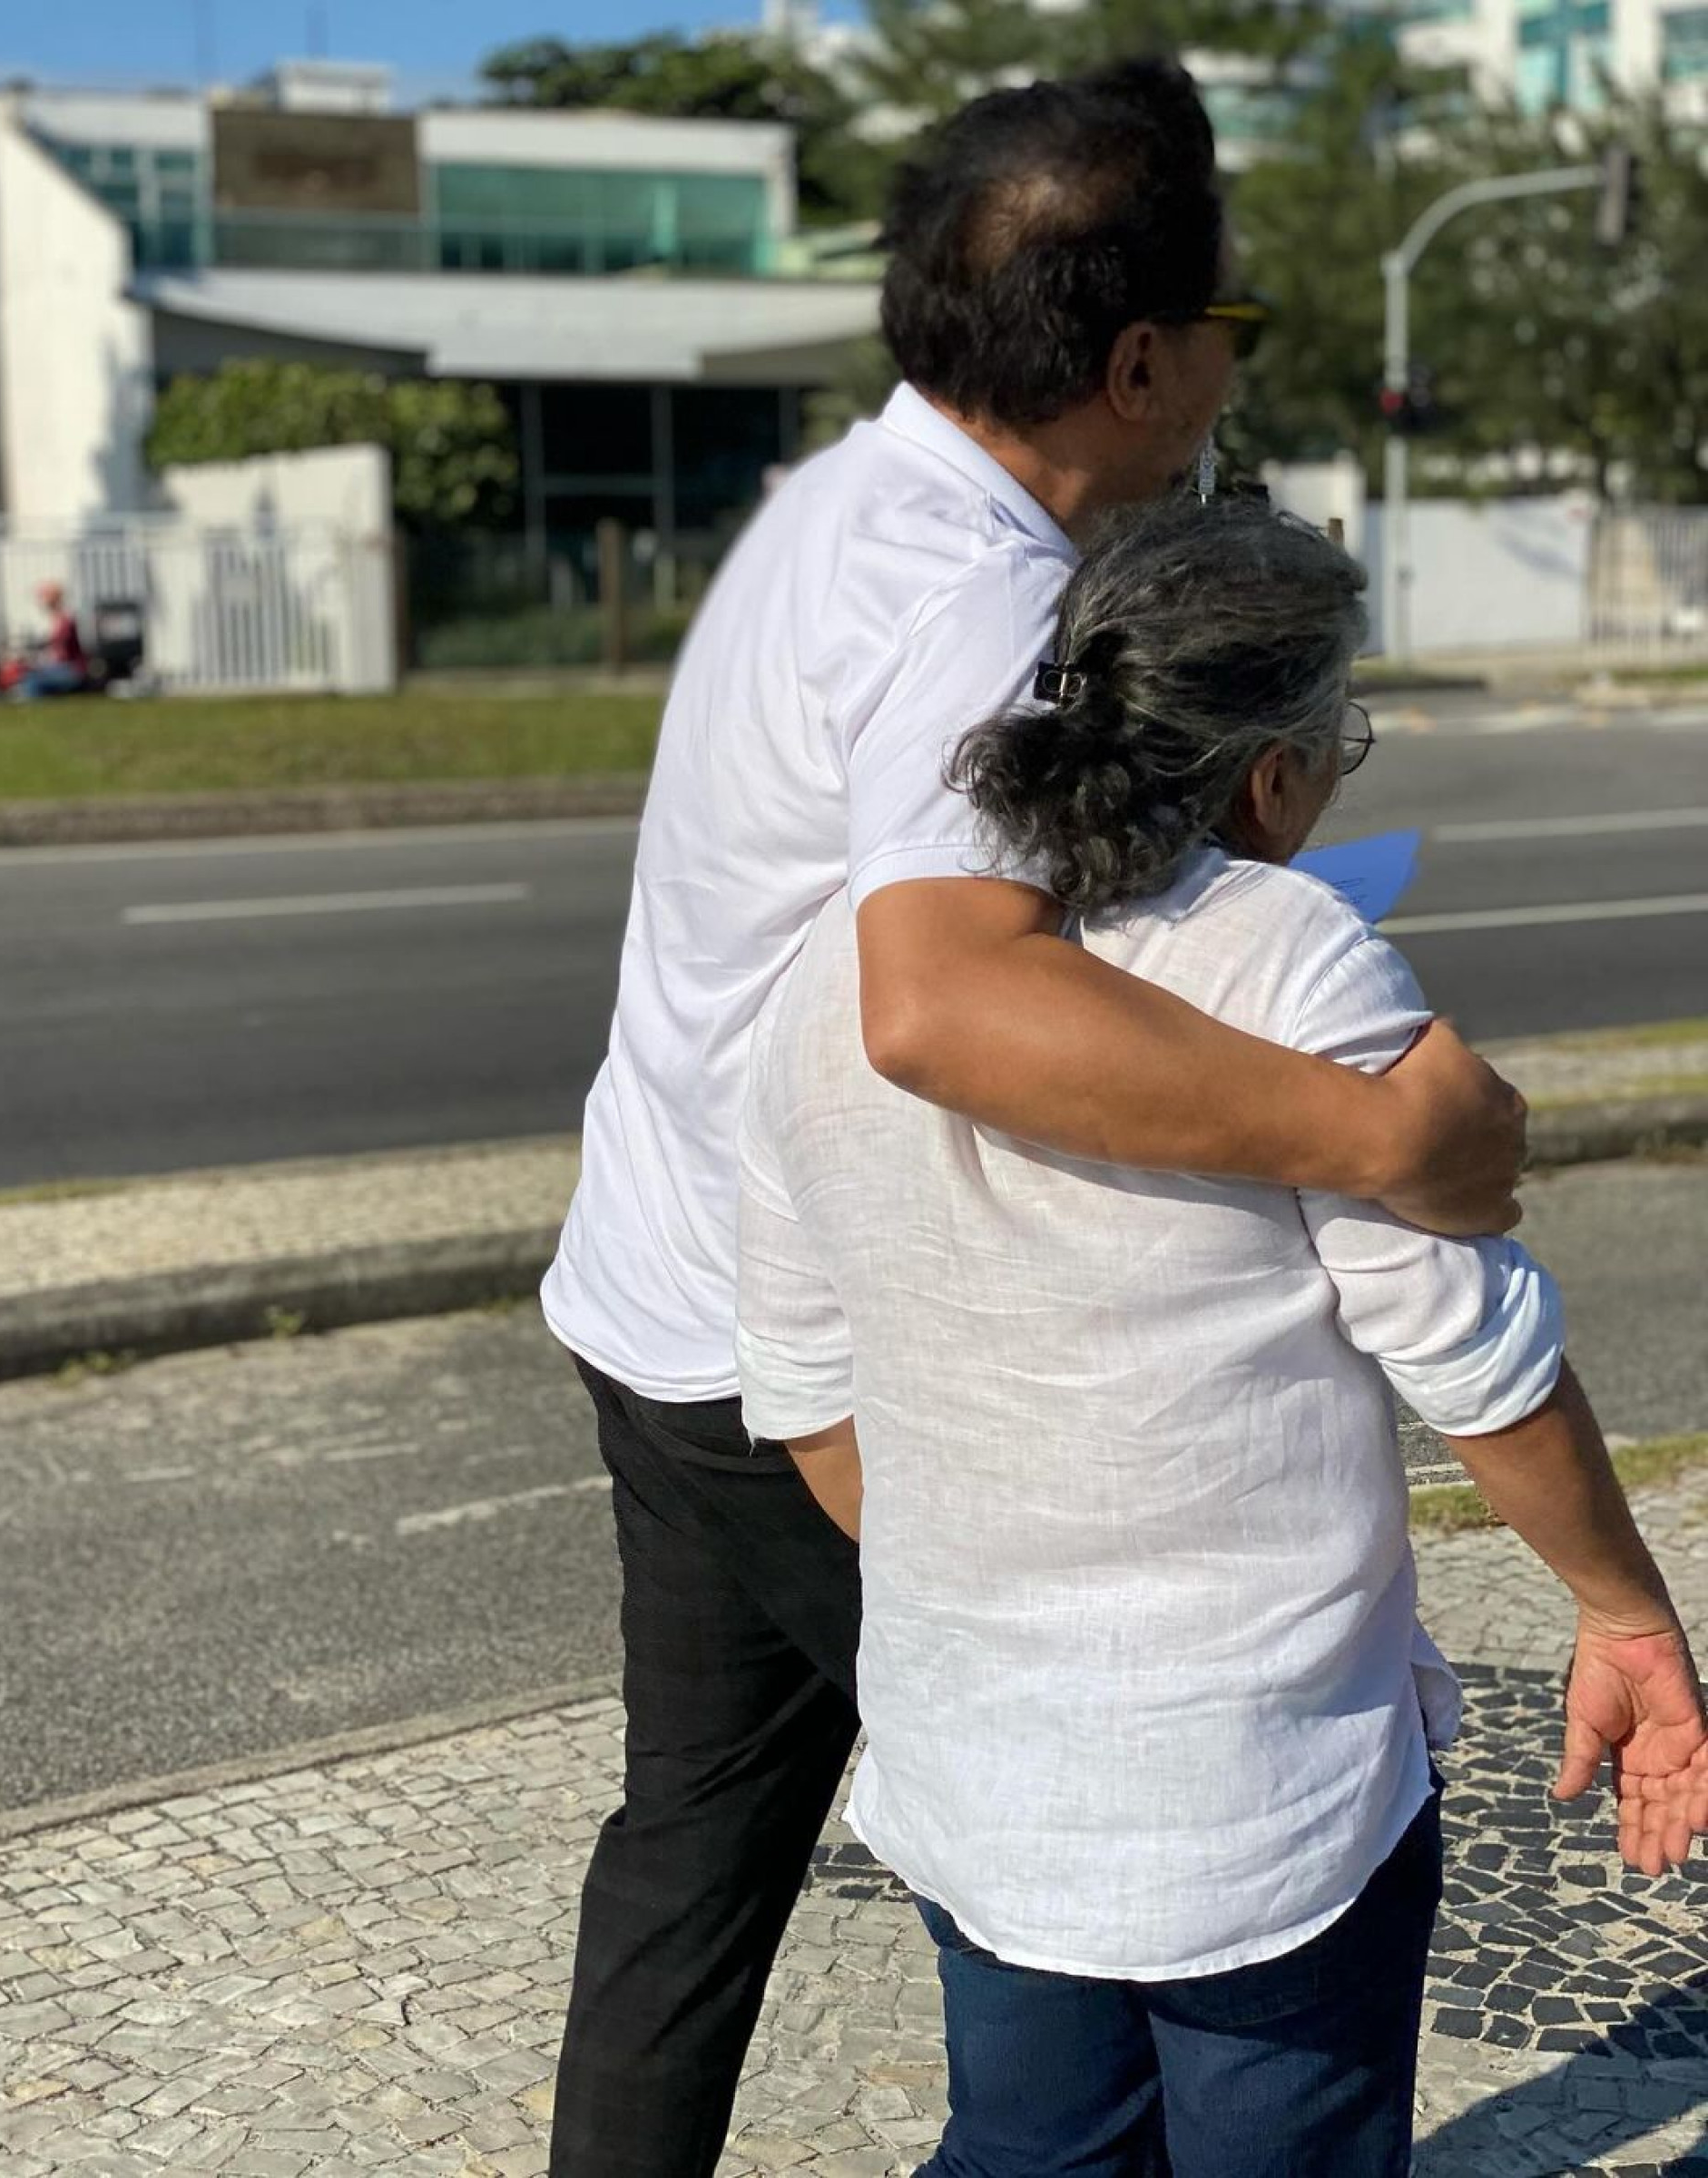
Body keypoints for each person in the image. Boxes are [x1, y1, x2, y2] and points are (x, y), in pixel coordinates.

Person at [540, 63, 1527, 2176]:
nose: (1223, 386)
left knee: (691, 1875)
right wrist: (1370, 1135)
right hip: (801, 1342)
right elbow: (941, 996)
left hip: (660, 1291)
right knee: (1099, 1862)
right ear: (1141, 358)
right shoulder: (978, 598)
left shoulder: (839, 502)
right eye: (1228, 337)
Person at [734, 495, 1708, 2177]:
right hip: (1261, 1782)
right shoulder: (1289, 960)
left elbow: (809, 1397)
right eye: (1348, 736)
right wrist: (1625, 1611)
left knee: (1032, 2148)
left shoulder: (841, 973)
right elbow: (1476, 1362)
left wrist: (1013, 1592)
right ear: (1273, 772)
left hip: (982, 1765)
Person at [11, 583, 90, 700]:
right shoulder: (57, 620)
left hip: (71, 670)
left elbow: (61, 649)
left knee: (32, 680)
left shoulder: (65, 620)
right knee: (25, 674)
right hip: (65, 667)